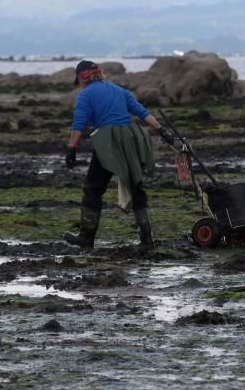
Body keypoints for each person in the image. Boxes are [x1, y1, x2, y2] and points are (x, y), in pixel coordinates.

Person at [62, 60, 175, 250]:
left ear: (82, 77)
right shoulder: (119, 90)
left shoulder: (85, 95)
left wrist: (71, 147)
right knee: (136, 186)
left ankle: (86, 237)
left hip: (108, 141)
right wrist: (162, 130)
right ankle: (147, 239)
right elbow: (141, 111)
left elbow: (79, 122)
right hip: (130, 138)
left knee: (93, 189)